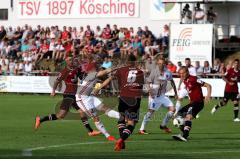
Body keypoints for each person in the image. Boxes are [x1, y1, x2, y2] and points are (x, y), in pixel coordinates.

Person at [34, 57, 100, 136]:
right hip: (68, 94)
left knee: (78, 112)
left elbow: (82, 77)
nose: (71, 61)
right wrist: (53, 91)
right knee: (62, 115)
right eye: (69, 60)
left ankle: (90, 131)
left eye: (72, 59)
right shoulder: (64, 71)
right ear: (66, 62)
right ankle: (41, 119)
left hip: (75, 94)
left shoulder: (77, 69)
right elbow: (56, 81)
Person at [75, 57, 120, 141]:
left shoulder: (93, 76)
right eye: (96, 66)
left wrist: (111, 78)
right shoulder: (92, 74)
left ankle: (121, 117)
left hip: (90, 96)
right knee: (95, 117)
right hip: (82, 99)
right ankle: (108, 136)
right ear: (92, 68)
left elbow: (100, 87)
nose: (98, 67)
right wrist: (117, 66)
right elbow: (105, 71)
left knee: (104, 108)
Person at [112, 53, 144, 151]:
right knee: (131, 123)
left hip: (122, 97)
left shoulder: (121, 70)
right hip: (134, 98)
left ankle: (122, 143)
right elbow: (140, 86)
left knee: (121, 119)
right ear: (135, 62)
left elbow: (113, 79)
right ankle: (121, 139)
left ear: (126, 61)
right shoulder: (140, 72)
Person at [139, 57, 177, 135]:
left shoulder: (168, 72)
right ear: (157, 64)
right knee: (150, 112)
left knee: (172, 109)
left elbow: (172, 81)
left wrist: (176, 93)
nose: (161, 65)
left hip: (162, 95)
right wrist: (150, 91)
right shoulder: (154, 71)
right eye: (159, 63)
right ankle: (142, 129)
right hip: (154, 95)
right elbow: (148, 82)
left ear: (165, 64)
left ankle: (163, 125)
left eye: (162, 63)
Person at [172, 66, 211, 141]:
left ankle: (185, 136)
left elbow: (208, 85)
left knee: (188, 117)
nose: (181, 75)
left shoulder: (194, 79)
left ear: (187, 72)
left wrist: (208, 95)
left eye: (183, 73)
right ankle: (184, 133)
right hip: (192, 103)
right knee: (177, 116)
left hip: (198, 103)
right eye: (180, 74)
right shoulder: (185, 80)